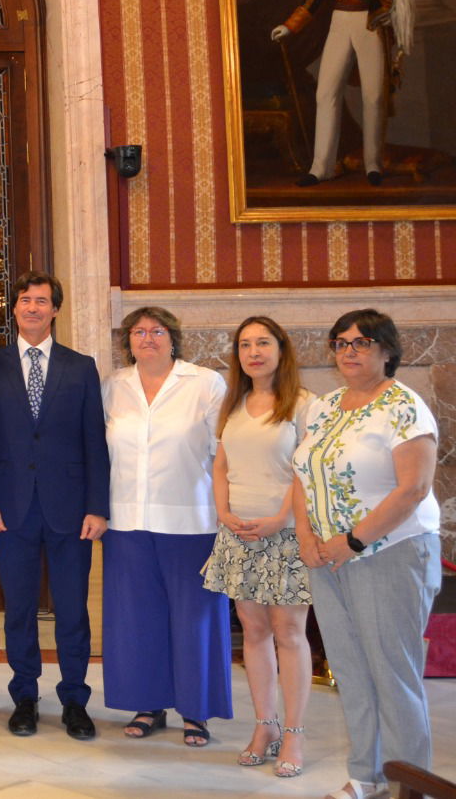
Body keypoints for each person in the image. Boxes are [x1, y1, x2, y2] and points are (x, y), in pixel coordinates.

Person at [293, 309, 440, 799]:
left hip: (390, 552)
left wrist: (353, 540)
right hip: (327, 558)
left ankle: (408, 786)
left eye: (362, 342)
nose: (349, 351)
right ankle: (366, 776)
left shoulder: (404, 406)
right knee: (351, 672)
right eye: (341, 343)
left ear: (386, 350)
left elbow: (414, 488)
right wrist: (305, 536)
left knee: (392, 674)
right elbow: (302, 474)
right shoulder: (325, 406)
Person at [0, 271, 108, 741]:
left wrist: (97, 507)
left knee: (72, 610)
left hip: (71, 510)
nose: (32, 307)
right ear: (14, 308)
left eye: (42, 301)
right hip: (10, 509)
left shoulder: (81, 367)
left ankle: (75, 699)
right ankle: (24, 697)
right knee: (19, 609)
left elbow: (95, 441)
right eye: (25, 300)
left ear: (55, 310)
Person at [100, 305, 231, 745]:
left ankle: (196, 710)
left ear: (173, 338)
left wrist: (227, 511)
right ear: (128, 341)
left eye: (157, 331)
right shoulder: (113, 386)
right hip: (127, 520)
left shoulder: (205, 383)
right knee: (138, 619)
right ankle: (147, 704)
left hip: (191, 520)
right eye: (139, 332)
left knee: (195, 620)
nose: (148, 339)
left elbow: (223, 453)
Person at [200, 316, 312, 777]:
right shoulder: (233, 404)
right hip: (239, 534)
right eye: (245, 345)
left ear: (281, 349)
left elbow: (307, 472)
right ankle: (266, 725)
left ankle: (294, 735)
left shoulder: (303, 404)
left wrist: (282, 517)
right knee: (254, 631)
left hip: (285, 535)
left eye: (263, 343)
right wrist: (223, 512)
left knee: (289, 632)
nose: (254, 352)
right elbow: (221, 466)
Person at [270, 0, 416, 187]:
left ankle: (373, 165)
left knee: (373, 96)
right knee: (326, 94)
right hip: (339, 23)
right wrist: (290, 26)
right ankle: (321, 167)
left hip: (369, 25)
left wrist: (390, 4)